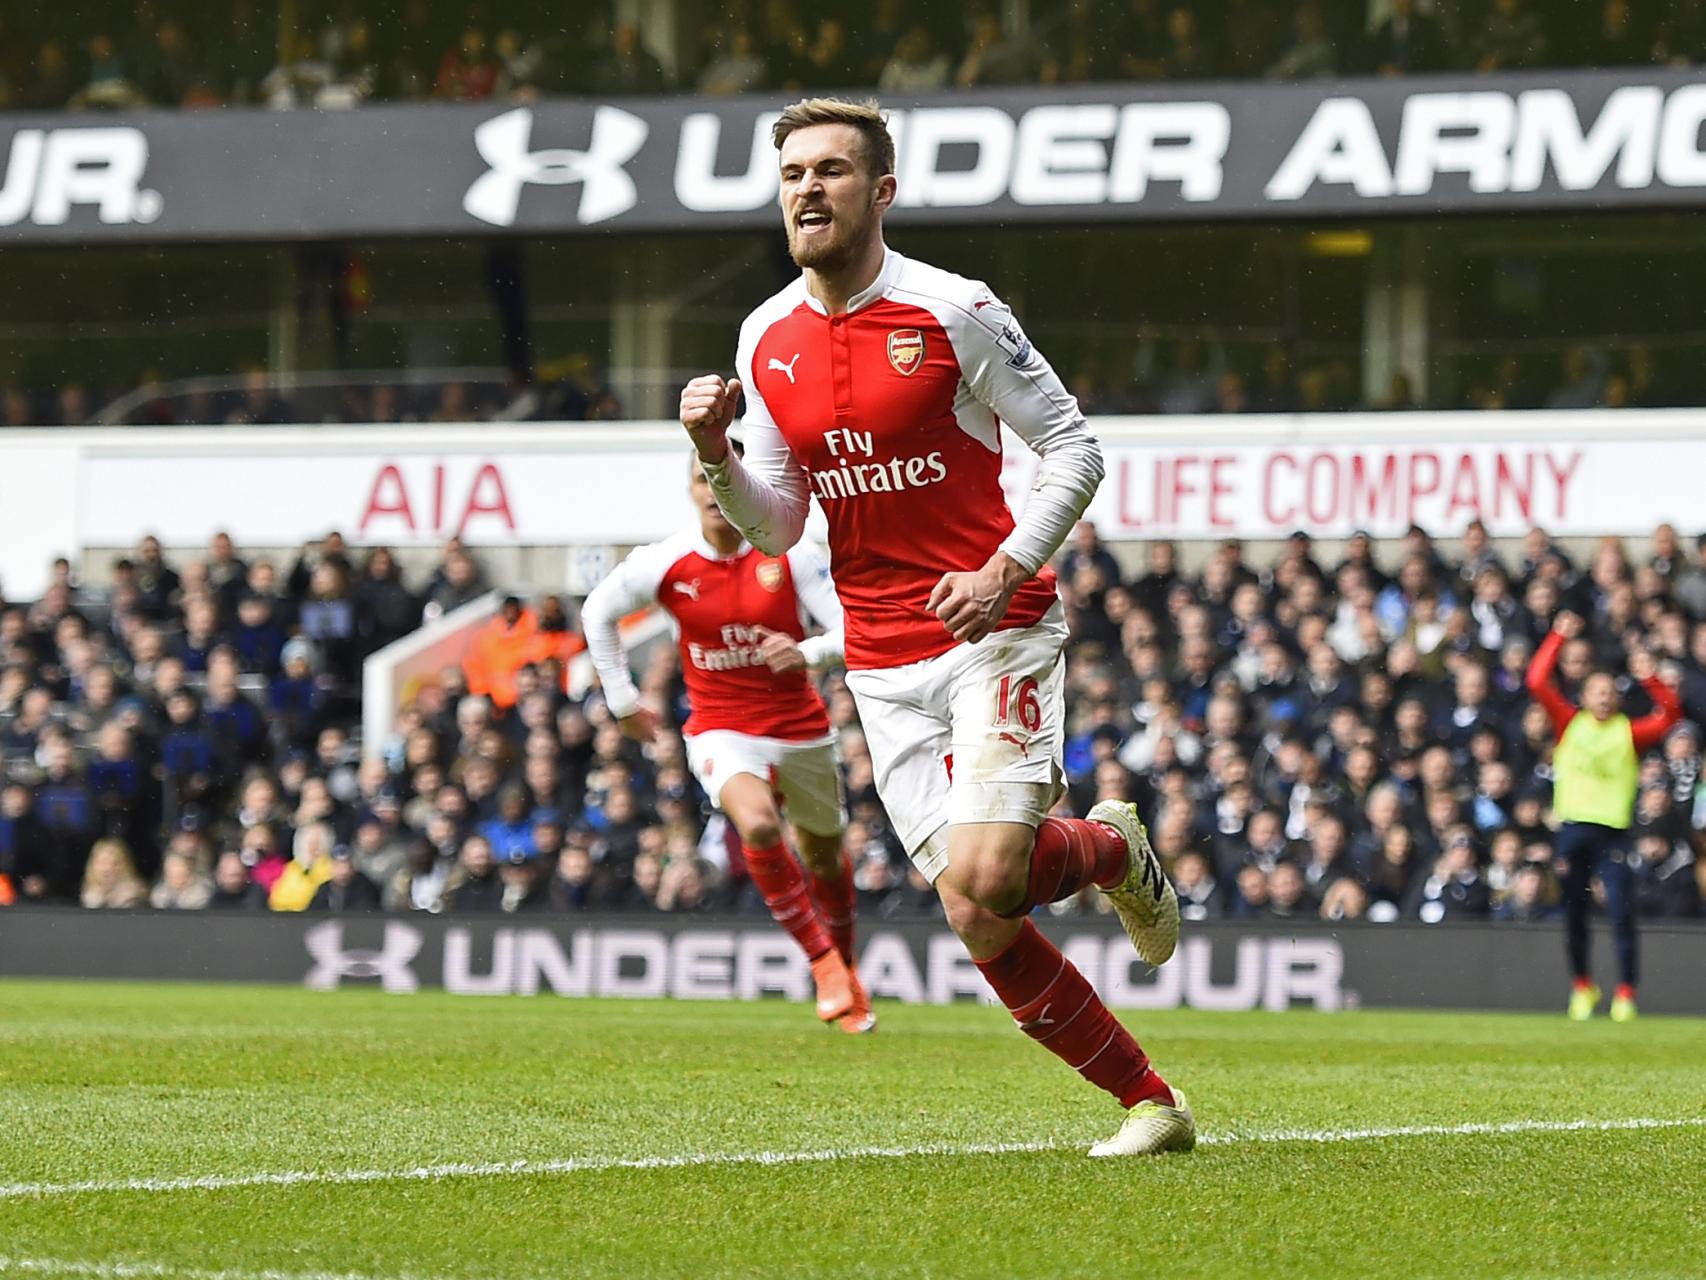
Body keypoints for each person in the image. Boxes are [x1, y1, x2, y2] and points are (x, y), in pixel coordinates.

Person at [678, 98, 1188, 1157]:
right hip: (878, 655)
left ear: (881, 191)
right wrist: (717, 457)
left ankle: (1105, 850)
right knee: (973, 908)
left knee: (993, 870)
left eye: (828, 170)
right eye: (790, 175)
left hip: (995, 626)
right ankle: (1151, 1099)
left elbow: (1072, 448)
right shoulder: (762, 336)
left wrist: (1005, 565)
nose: (806, 190)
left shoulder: (953, 310)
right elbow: (776, 527)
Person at [583, 448, 873, 1033]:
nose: (715, 487)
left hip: (801, 729)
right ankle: (823, 964)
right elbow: (597, 612)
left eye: (727, 477)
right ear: (691, 490)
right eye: (703, 477)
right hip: (720, 726)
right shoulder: (665, 561)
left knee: (824, 855)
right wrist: (621, 701)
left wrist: (807, 653)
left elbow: (851, 632)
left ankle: (845, 964)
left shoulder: (789, 555)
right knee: (760, 826)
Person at [1526, 611, 1681, 1021]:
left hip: (1613, 833)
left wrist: (1650, 678)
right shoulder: (1568, 723)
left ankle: (1626, 991)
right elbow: (1537, 681)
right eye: (1596, 691)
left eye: (1610, 691)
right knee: (1575, 914)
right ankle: (1583, 985)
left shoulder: (1628, 732)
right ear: (1584, 696)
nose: (1604, 698)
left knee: (1619, 913)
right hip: (1573, 830)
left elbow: (1670, 716)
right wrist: (1558, 635)